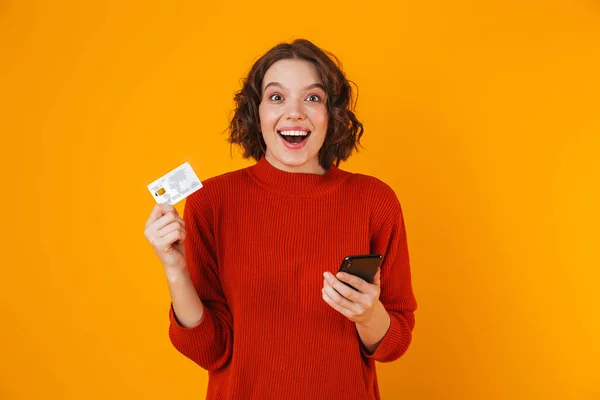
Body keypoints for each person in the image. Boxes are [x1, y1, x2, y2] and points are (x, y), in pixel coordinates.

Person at [144, 38, 418, 399]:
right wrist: (174, 268)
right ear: (256, 113)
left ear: (332, 114)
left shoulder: (374, 200)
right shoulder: (211, 201)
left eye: (312, 97)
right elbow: (209, 350)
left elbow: (394, 344)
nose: (294, 113)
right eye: (276, 97)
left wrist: (368, 315)